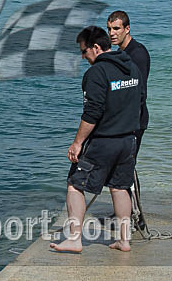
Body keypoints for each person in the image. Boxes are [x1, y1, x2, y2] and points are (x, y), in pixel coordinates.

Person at [50, 25, 143, 254]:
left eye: (84, 51)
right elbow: (141, 99)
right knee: (120, 187)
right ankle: (124, 240)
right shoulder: (132, 67)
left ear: (96, 47)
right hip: (128, 140)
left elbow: (92, 113)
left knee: (75, 184)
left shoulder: (96, 73)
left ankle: (74, 239)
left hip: (104, 141)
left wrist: (77, 143)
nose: (83, 57)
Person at [107, 10, 150, 156]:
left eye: (116, 28)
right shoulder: (121, 53)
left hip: (134, 121)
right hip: (123, 121)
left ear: (127, 29)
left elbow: (140, 93)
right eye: (109, 29)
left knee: (126, 165)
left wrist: (129, 124)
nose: (112, 33)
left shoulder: (137, 54)